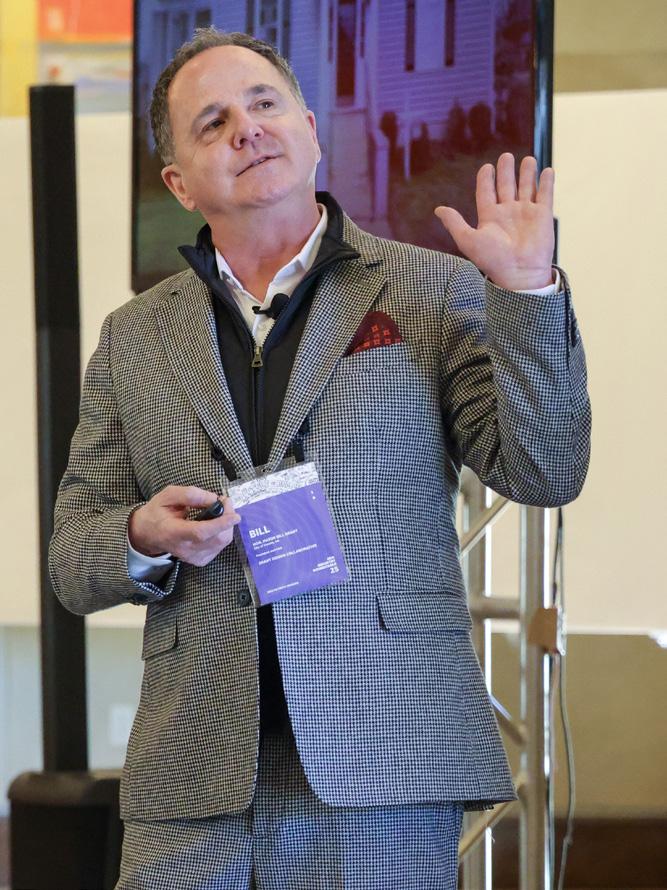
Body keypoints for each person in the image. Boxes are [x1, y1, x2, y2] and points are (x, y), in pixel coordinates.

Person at [49, 28, 591, 890]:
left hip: (385, 760)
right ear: (179, 183)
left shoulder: (432, 290)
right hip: (193, 776)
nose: (246, 129)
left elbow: (545, 469)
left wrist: (526, 293)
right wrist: (142, 536)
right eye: (212, 122)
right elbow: (72, 562)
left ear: (307, 130)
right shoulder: (134, 338)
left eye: (263, 104)